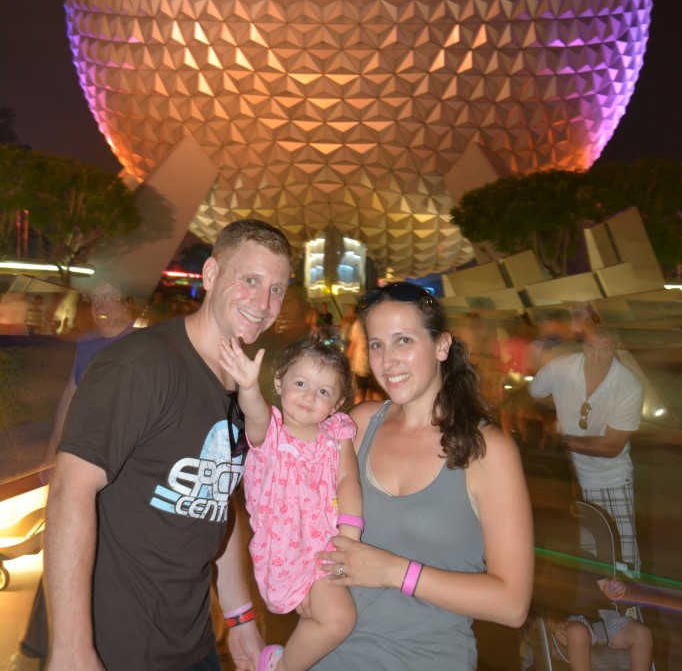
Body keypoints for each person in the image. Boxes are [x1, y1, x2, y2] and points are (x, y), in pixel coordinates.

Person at [43, 219, 292, 671]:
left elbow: (219, 502)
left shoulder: (239, 387)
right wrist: (72, 648)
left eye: (277, 288)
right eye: (251, 280)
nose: (263, 302)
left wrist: (239, 619)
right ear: (212, 275)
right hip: (113, 649)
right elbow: (68, 492)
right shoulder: (141, 365)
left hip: (192, 644)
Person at [308, 282, 534, 671]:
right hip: (326, 657)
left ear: (441, 346)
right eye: (377, 345)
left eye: (403, 341)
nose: (387, 361)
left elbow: (512, 604)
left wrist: (395, 572)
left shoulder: (487, 451)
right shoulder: (358, 427)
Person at [4, 281, 136, 671]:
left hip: (122, 461)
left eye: (110, 296)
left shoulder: (140, 344)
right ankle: (44, 641)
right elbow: (70, 395)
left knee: (99, 549)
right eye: (96, 298)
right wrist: (52, 451)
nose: (101, 305)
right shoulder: (87, 343)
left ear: (126, 302)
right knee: (69, 545)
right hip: (84, 454)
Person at [219, 333, 361, 671]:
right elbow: (252, 412)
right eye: (301, 383)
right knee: (332, 618)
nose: (309, 396)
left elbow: (348, 480)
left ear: (337, 404)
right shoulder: (271, 432)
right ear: (279, 382)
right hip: (285, 551)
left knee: (337, 618)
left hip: (327, 548)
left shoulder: (336, 435)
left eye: (323, 391)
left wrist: (350, 535)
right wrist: (248, 386)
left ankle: (278, 666)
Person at [528, 325, 644, 574]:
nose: (596, 356)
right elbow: (530, 395)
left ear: (617, 348)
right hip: (569, 482)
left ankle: (629, 610)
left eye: (605, 349)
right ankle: (596, 611)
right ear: (583, 344)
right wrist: (548, 415)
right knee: (589, 559)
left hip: (609, 480)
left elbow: (612, 447)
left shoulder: (628, 386)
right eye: (591, 347)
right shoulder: (560, 368)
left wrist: (561, 440)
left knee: (621, 557)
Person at [548, 576, 653, 671]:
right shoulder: (544, 564)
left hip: (603, 617)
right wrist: (551, 624)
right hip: (572, 620)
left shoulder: (587, 558)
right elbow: (536, 607)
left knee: (642, 634)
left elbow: (606, 586)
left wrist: (616, 590)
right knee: (576, 632)